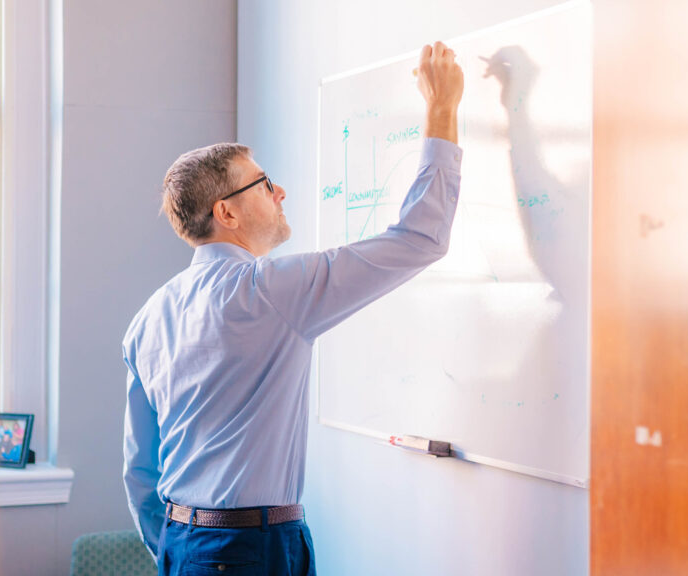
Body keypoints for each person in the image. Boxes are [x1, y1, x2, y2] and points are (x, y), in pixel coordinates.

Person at [122, 41, 464, 575]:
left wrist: (176, 548)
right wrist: (442, 109)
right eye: (262, 182)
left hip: (182, 543)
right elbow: (421, 239)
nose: (279, 190)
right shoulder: (269, 290)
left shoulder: (149, 316)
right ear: (226, 212)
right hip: (248, 549)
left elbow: (139, 472)